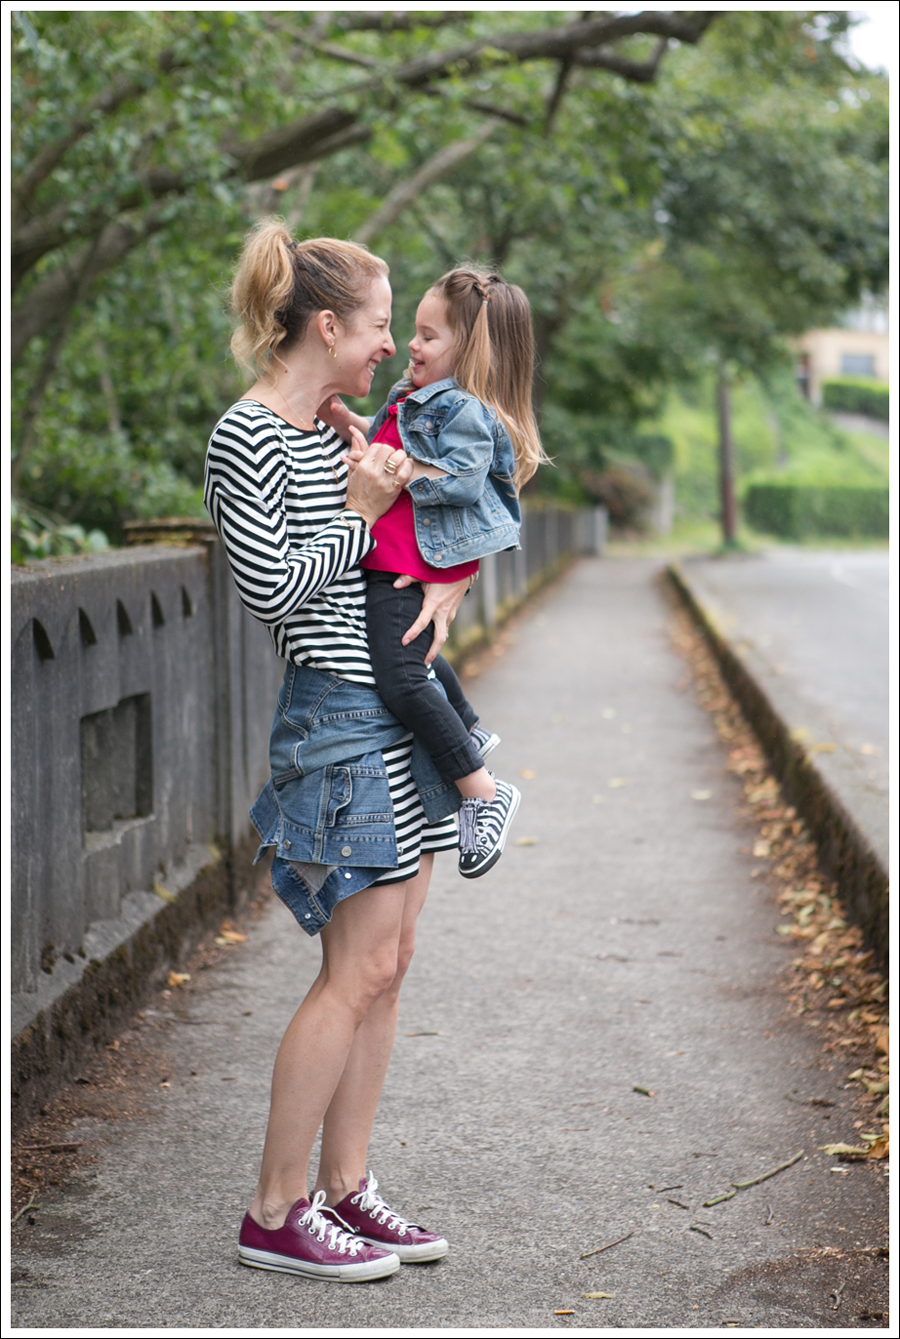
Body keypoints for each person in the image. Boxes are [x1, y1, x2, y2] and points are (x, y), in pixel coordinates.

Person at [204, 220, 471, 1282]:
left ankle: (346, 1189)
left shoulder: (325, 427)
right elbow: (272, 589)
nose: (384, 346)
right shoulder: (248, 432)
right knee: (351, 966)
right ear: (326, 322)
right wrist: (364, 512)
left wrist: (385, 482)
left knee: (390, 964)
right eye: (374, 325)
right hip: (336, 720)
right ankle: (275, 1208)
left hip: (391, 718)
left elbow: (404, 538)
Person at [326, 268, 548, 878]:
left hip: (405, 568)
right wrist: (347, 418)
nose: (411, 347)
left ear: (468, 350)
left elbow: (464, 479)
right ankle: (468, 733)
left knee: (400, 677)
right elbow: (384, 443)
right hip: (391, 563)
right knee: (412, 662)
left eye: (428, 337)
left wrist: (396, 470)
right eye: (411, 332)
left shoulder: (464, 409)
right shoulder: (413, 398)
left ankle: (483, 792)